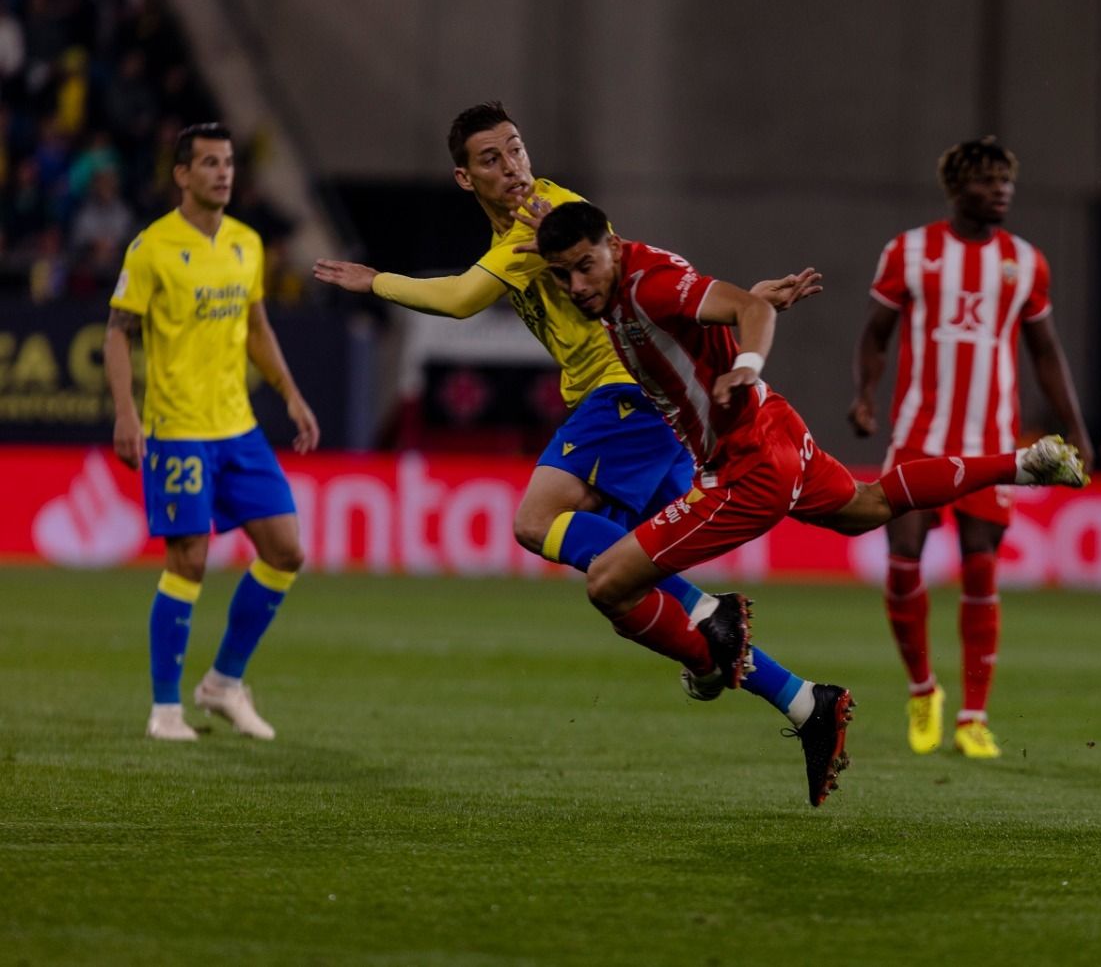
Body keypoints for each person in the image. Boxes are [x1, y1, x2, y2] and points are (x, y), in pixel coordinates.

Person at [311, 102, 833, 797]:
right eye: (492, 160)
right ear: (464, 179)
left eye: (518, 149)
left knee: (535, 522)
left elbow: (465, 298)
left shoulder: (552, 219)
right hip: (650, 411)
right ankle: (802, 702)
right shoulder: (523, 232)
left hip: (626, 396)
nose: (514, 168)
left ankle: (707, 617)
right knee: (622, 576)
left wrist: (374, 281)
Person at [533, 200, 1090, 805]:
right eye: (563, 275)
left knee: (609, 584)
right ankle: (1021, 464)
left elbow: (744, 310)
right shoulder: (625, 270)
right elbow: (739, 303)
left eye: (585, 266)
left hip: (746, 470)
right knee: (870, 508)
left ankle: (713, 653)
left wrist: (746, 358)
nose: (576, 286)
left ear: (611, 247)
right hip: (779, 430)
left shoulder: (650, 286)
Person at [848, 137, 1094, 760]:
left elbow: (1045, 352)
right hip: (918, 433)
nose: (1001, 190)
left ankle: (973, 715)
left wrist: (1076, 427)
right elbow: (876, 333)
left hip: (992, 439)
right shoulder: (909, 251)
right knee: (904, 556)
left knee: (981, 567)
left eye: (1006, 180)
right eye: (987, 180)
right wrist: (865, 395)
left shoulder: (1026, 262)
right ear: (957, 188)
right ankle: (922, 688)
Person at [104, 122, 319, 742]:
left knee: (286, 552)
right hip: (177, 428)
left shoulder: (247, 243)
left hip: (240, 429)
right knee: (189, 559)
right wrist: (126, 411)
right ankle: (165, 709)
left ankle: (223, 683)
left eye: (227, 163)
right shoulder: (152, 248)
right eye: (208, 164)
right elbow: (117, 331)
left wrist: (291, 394)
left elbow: (256, 327)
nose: (223, 173)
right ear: (182, 174)